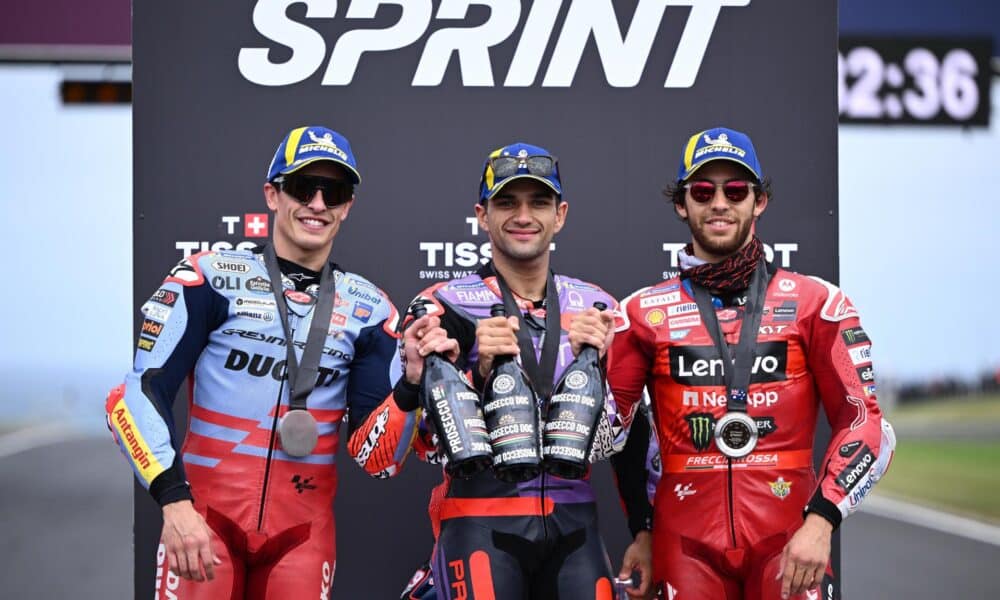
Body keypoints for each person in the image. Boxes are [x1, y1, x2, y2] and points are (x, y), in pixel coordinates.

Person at [105, 125, 400, 598]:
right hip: (202, 524)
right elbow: (134, 396)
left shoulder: (371, 310)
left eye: (335, 191)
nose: (318, 204)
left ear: (348, 205)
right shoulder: (210, 277)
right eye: (304, 187)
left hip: (302, 539)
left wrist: (412, 390)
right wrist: (174, 503)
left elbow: (377, 458)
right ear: (272, 194)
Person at [347, 142, 648, 599]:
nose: (523, 215)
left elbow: (619, 441)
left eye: (539, 202)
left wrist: (601, 371)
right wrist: (474, 379)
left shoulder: (597, 305)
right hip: (479, 524)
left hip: (576, 528)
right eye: (506, 202)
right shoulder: (442, 306)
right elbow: (381, 460)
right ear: (481, 215)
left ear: (560, 215)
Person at [608, 127, 896, 600]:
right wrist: (642, 531)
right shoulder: (638, 314)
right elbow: (618, 436)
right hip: (684, 545)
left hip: (789, 541)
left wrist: (823, 521)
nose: (719, 202)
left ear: (758, 201)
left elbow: (867, 426)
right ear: (683, 205)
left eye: (735, 190)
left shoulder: (816, 303)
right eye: (703, 191)